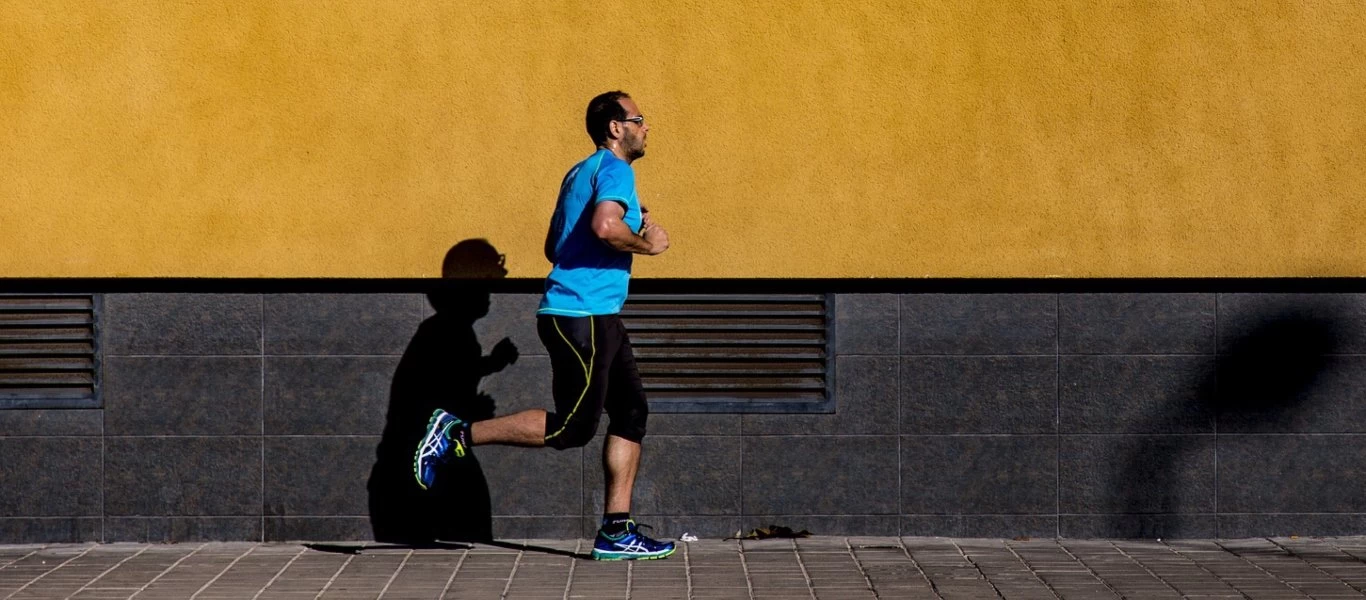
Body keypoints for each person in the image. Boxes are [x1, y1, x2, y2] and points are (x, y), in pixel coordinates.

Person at [414, 91, 674, 561]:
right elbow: (603, 228)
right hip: (582, 316)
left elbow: (556, 246)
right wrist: (646, 242)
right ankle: (455, 432)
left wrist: (632, 220)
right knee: (572, 429)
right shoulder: (615, 170)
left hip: (597, 316)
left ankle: (617, 530)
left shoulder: (580, 172)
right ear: (615, 128)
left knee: (631, 414)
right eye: (638, 119)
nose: (646, 126)